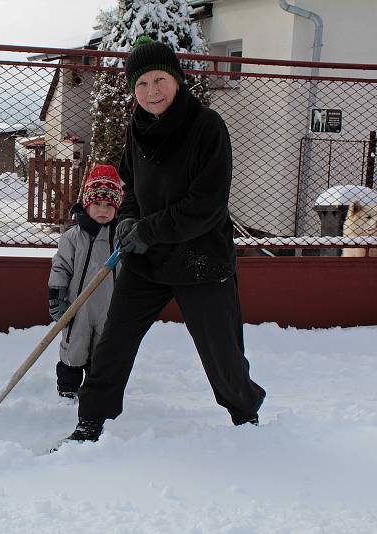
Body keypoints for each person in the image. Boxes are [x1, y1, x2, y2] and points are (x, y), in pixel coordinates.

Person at [65, 36, 266, 443]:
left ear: (177, 80)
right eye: (141, 84)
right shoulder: (137, 128)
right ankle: (90, 421)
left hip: (201, 260)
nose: (151, 91)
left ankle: (246, 417)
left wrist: (146, 229)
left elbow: (205, 205)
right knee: (114, 342)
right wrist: (129, 218)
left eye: (159, 80)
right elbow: (132, 186)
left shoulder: (207, 126)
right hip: (148, 260)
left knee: (221, 352)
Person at [48, 164, 123, 400]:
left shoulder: (121, 238)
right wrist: (57, 295)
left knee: (103, 351)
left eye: (109, 205)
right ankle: (68, 388)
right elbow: (60, 266)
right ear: (87, 204)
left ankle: (94, 390)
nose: (103, 210)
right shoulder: (72, 237)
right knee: (74, 347)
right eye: (97, 204)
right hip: (76, 306)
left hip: (110, 307)